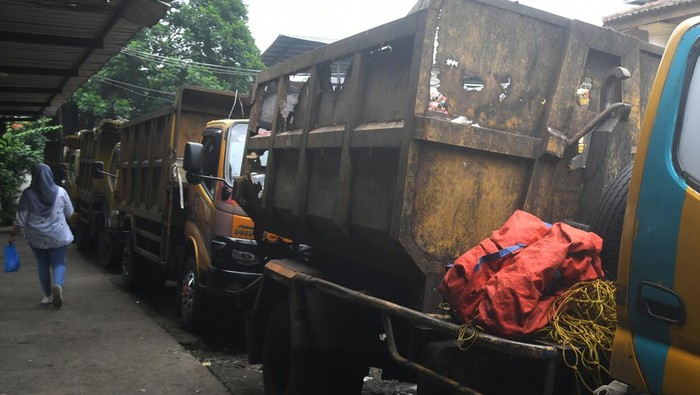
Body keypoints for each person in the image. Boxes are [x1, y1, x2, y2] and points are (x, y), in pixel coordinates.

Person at [8, 163, 74, 308]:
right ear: (50, 175)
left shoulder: (27, 194)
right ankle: (58, 285)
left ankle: (48, 295)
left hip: (37, 237)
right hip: (58, 235)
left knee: (42, 264)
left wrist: (13, 235)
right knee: (59, 263)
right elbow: (70, 213)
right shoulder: (61, 192)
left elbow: (20, 220)